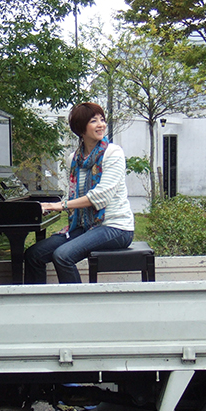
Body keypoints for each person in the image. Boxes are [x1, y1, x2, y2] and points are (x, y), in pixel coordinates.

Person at [24, 102, 135, 283]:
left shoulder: (113, 153)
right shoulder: (74, 159)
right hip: (87, 226)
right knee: (34, 254)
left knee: (62, 256)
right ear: (80, 129)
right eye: (94, 121)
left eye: (102, 119)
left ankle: (78, 309)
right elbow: (76, 194)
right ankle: (37, 306)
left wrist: (57, 206)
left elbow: (100, 196)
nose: (101, 125)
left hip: (116, 227)